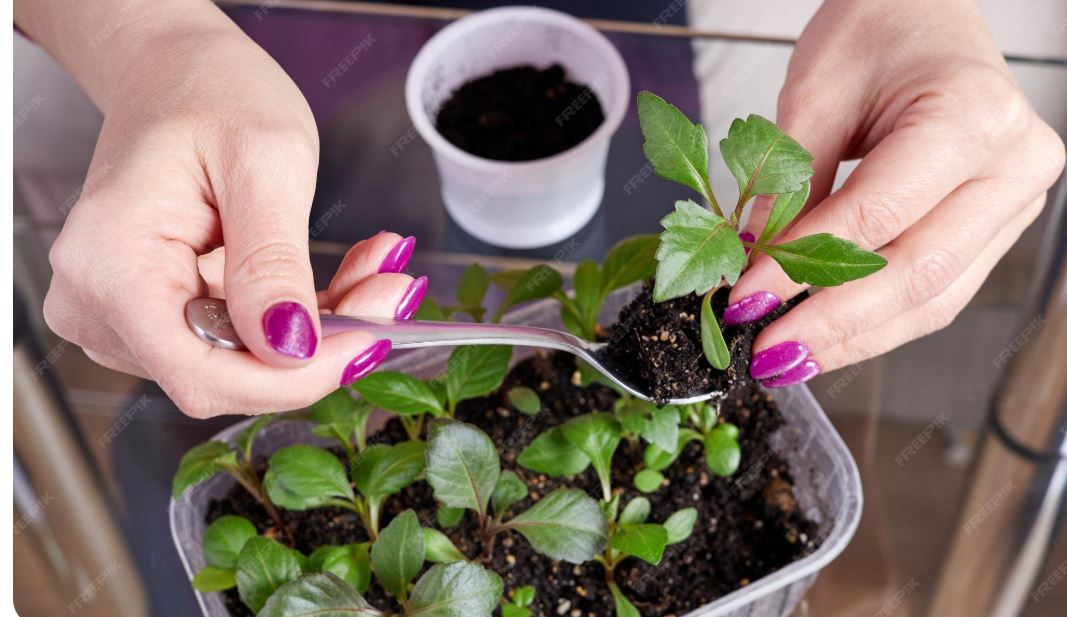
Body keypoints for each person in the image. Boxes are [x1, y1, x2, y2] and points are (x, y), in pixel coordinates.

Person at [17, 0, 1064, 417]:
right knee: (223, 378)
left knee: (662, 270)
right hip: (250, 58)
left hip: (612, 32)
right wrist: (152, 43)